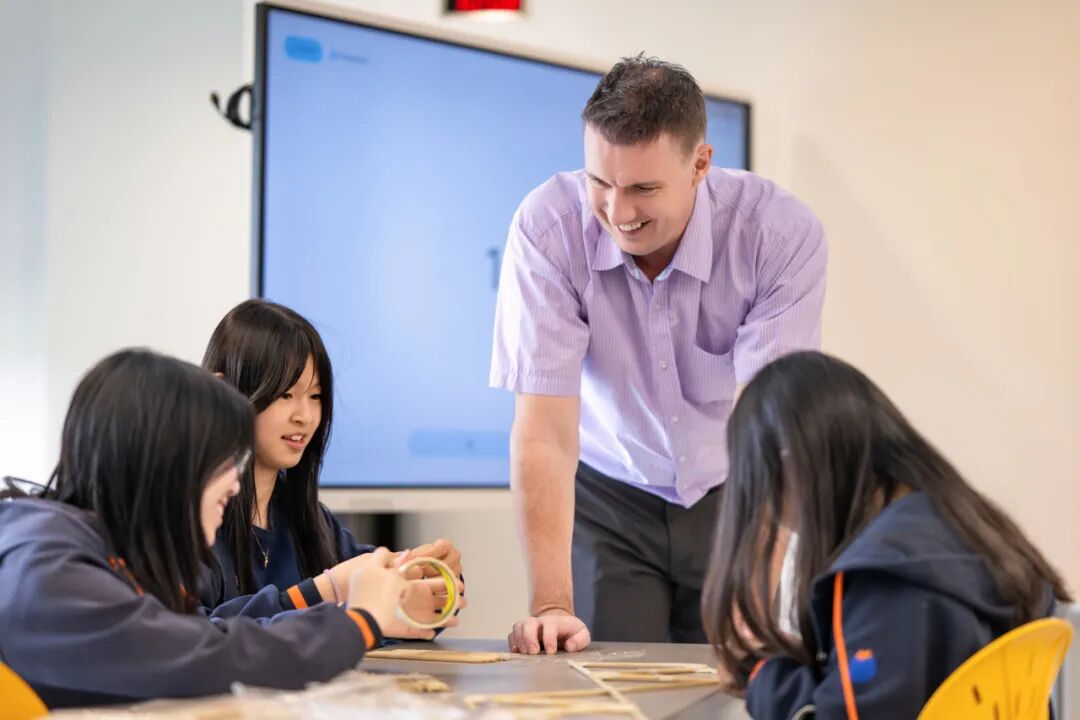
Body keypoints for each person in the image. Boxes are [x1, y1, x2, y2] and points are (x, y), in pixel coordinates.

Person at [492, 54, 827, 653]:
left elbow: (773, 436)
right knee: (604, 686)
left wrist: (760, 588)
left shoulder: (778, 237)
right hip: (609, 493)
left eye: (644, 188)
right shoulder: (548, 230)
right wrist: (550, 607)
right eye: (600, 182)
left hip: (732, 491)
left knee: (728, 684)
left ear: (700, 164)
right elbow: (543, 432)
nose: (618, 213)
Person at [0, 349, 408, 708]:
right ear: (165, 463)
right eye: (223, 461)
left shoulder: (97, 551)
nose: (235, 483)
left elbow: (203, 632)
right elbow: (203, 656)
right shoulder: (47, 567)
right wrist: (359, 620)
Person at [702, 351, 1071, 718]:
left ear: (791, 465)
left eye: (763, 493)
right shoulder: (965, 527)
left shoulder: (887, 578)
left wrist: (760, 674)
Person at [201, 299, 465, 638]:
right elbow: (192, 639)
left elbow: (390, 608)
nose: (305, 416)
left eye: (315, 396)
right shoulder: (187, 519)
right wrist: (327, 590)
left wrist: (433, 578)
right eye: (285, 394)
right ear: (223, 391)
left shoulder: (310, 520)